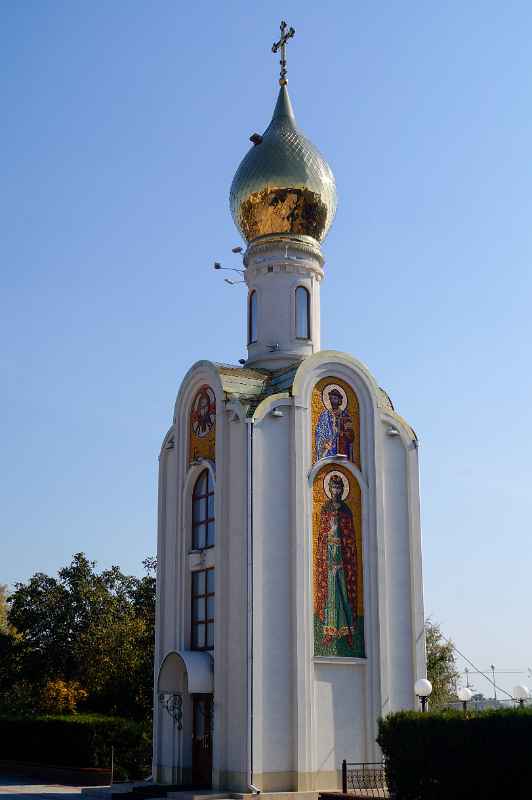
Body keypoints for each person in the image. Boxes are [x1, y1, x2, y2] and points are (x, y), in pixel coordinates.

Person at [315, 473, 357, 649]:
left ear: (342, 489)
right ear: (329, 489)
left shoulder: (346, 510)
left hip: (343, 562)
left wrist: (343, 561)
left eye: (339, 487)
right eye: (333, 487)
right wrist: (329, 532)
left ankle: (348, 633)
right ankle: (329, 632)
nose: (336, 490)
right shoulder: (325, 508)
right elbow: (321, 536)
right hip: (329, 562)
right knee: (331, 597)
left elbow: (350, 538)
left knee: (344, 596)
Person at [315, 387, 354, 461]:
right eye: (331, 398)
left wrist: (343, 432)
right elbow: (319, 431)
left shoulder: (345, 415)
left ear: (339, 400)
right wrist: (324, 442)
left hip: (342, 448)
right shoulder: (325, 414)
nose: (333, 401)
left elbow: (351, 435)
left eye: (335, 398)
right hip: (329, 449)